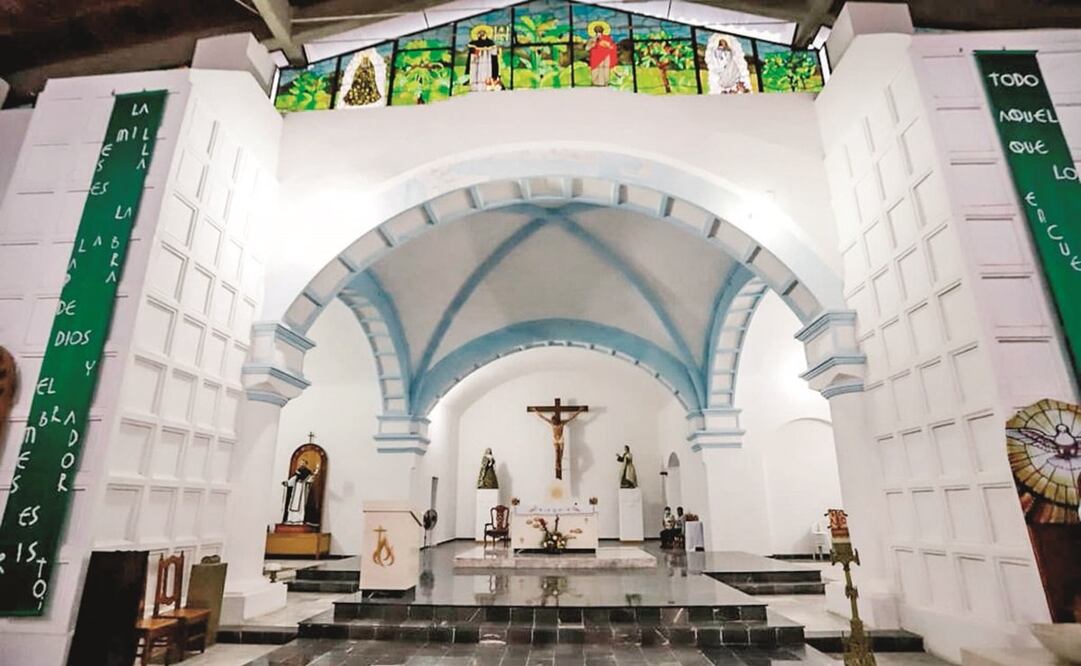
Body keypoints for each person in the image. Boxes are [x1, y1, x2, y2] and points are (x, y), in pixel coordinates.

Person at [468, 26, 502, 92]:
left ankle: (488, 84)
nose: (481, 34)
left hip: (487, 60)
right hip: (478, 62)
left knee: (487, 72)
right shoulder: (474, 43)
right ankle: (476, 87)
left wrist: (492, 49)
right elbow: (472, 51)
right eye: (480, 33)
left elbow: (494, 52)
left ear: (485, 33)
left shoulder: (490, 42)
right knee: (477, 73)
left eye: (483, 32)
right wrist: (478, 51)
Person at [586, 21, 618, 86]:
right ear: (594, 30)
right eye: (597, 29)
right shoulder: (592, 39)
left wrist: (606, 44)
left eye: (600, 29)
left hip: (605, 57)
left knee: (604, 69)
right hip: (595, 58)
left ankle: (605, 83)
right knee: (595, 70)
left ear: (603, 30)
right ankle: (595, 83)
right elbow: (587, 48)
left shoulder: (607, 38)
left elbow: (612, 47)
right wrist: (593, 42)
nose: (598, 30)